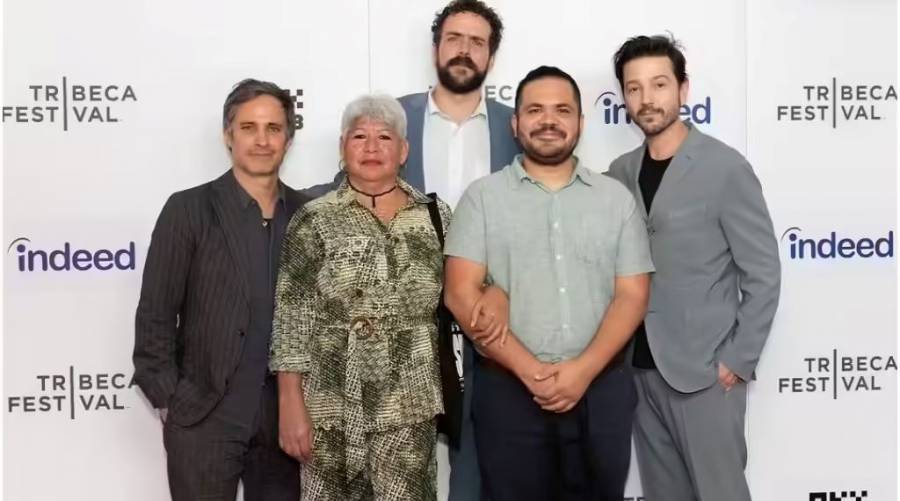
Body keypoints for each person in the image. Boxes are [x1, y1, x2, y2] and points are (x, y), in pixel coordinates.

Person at [305, 4, 520, 498]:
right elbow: (350, 195)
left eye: (477, 41)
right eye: (454, 38)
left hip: (491, 321)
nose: (464, 49)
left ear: (492, 55)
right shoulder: (391, 119)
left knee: (482, 471)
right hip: (404, 334)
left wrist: (502, 290)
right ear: (436, 48)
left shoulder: (517, 126)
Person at [444, 66, 654, 501]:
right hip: (508, 396)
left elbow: (632, 295)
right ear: (515, 124)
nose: (548, 120)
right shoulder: (482, 198)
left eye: (562, 110)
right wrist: (531, 372)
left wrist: (581, 371)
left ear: (580, 122)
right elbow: (460, 293)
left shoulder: (615, 199)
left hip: (600, 392)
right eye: (535, 110)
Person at [605, 34, 781, 501]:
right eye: (635, 87)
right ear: (624, 97)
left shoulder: (725, 168)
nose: (647, 99)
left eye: (659, 84)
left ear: (683, 90)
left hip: (704, 375)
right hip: (639, 373)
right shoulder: (619, 172)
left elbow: (763, 272)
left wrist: (736, 362)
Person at [132, 78, 306, 500]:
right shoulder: (188, 210)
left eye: (273, 128)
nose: (261, 140)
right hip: (205, 416)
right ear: (228, 135)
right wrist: (172, 400)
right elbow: (156, 314)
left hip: (285, 420)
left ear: (288, 137)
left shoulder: (307, 215)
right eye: (248, 128)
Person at [270, 94, 451, 500]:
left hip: (410, 406)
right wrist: (290, 403)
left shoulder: (435, 216)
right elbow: (293, 318)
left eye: (384, 137)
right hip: (331, 406)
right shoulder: (314, 218)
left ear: (403, 150)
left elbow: (464, 292)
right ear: (342, 148)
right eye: (359, 136)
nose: (372, 147)